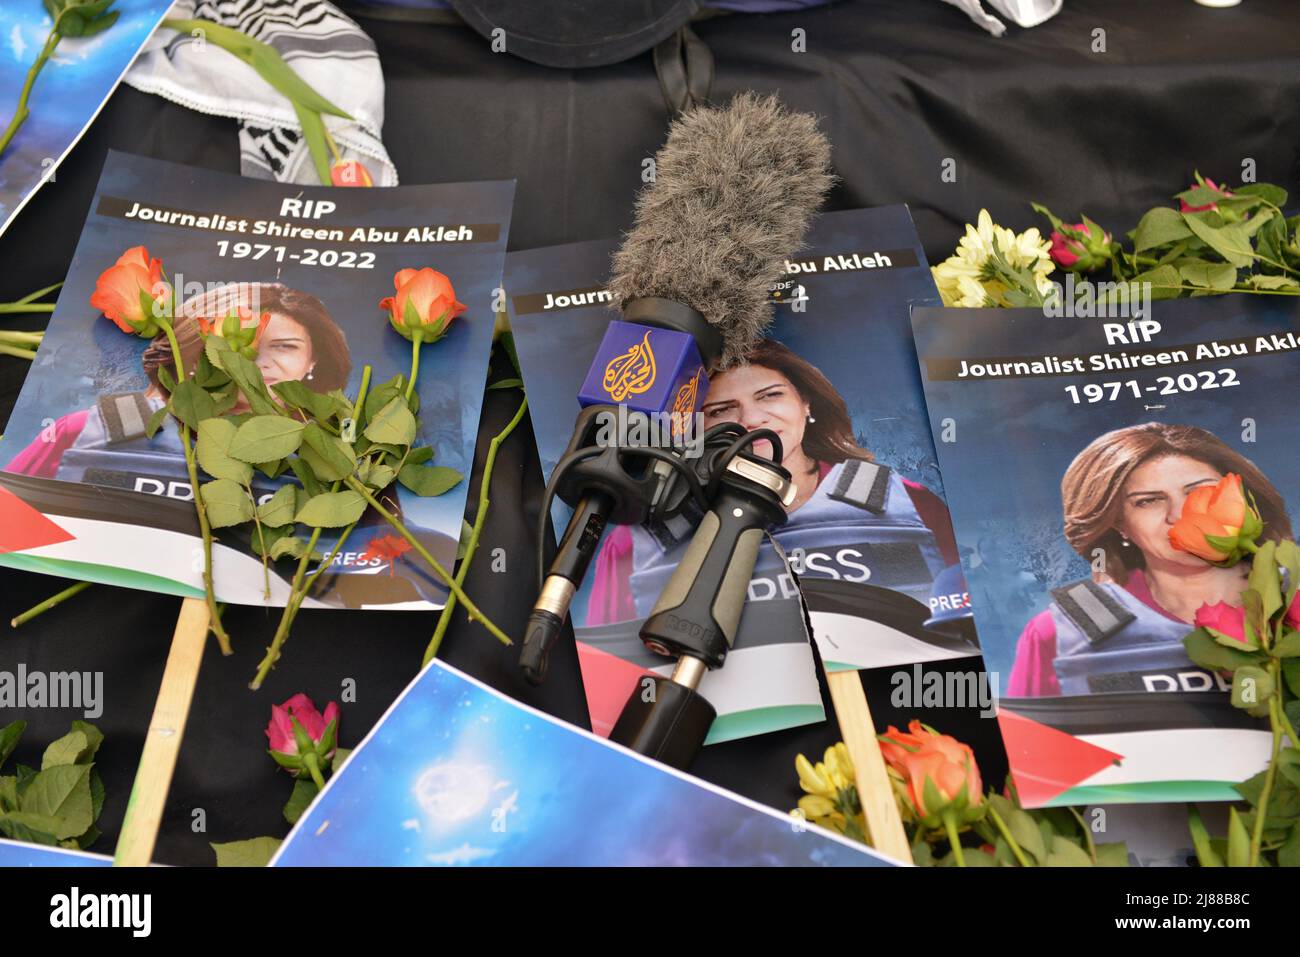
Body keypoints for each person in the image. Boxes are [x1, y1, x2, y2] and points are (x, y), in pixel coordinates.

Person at [586, 338, 960, 625]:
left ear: (806, 404)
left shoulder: (905, 501)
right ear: (695, 427)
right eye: (720, 410)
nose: (751, 418)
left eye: (771, 396)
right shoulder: (647, 537)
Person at [1007, 423, 1292, 697]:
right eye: (1147, 501)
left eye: (1200, 491)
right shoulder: (1061, 631)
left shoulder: (1294, 593)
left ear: (1243, 499)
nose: (1179, 515)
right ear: (1119, 524)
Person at [5, 282, 351, 484]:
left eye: (284, 347)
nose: (255, 361)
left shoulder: (334, 451)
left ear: (313, 361)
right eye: (234, 342)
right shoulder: (101, 425)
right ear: (190, 348)